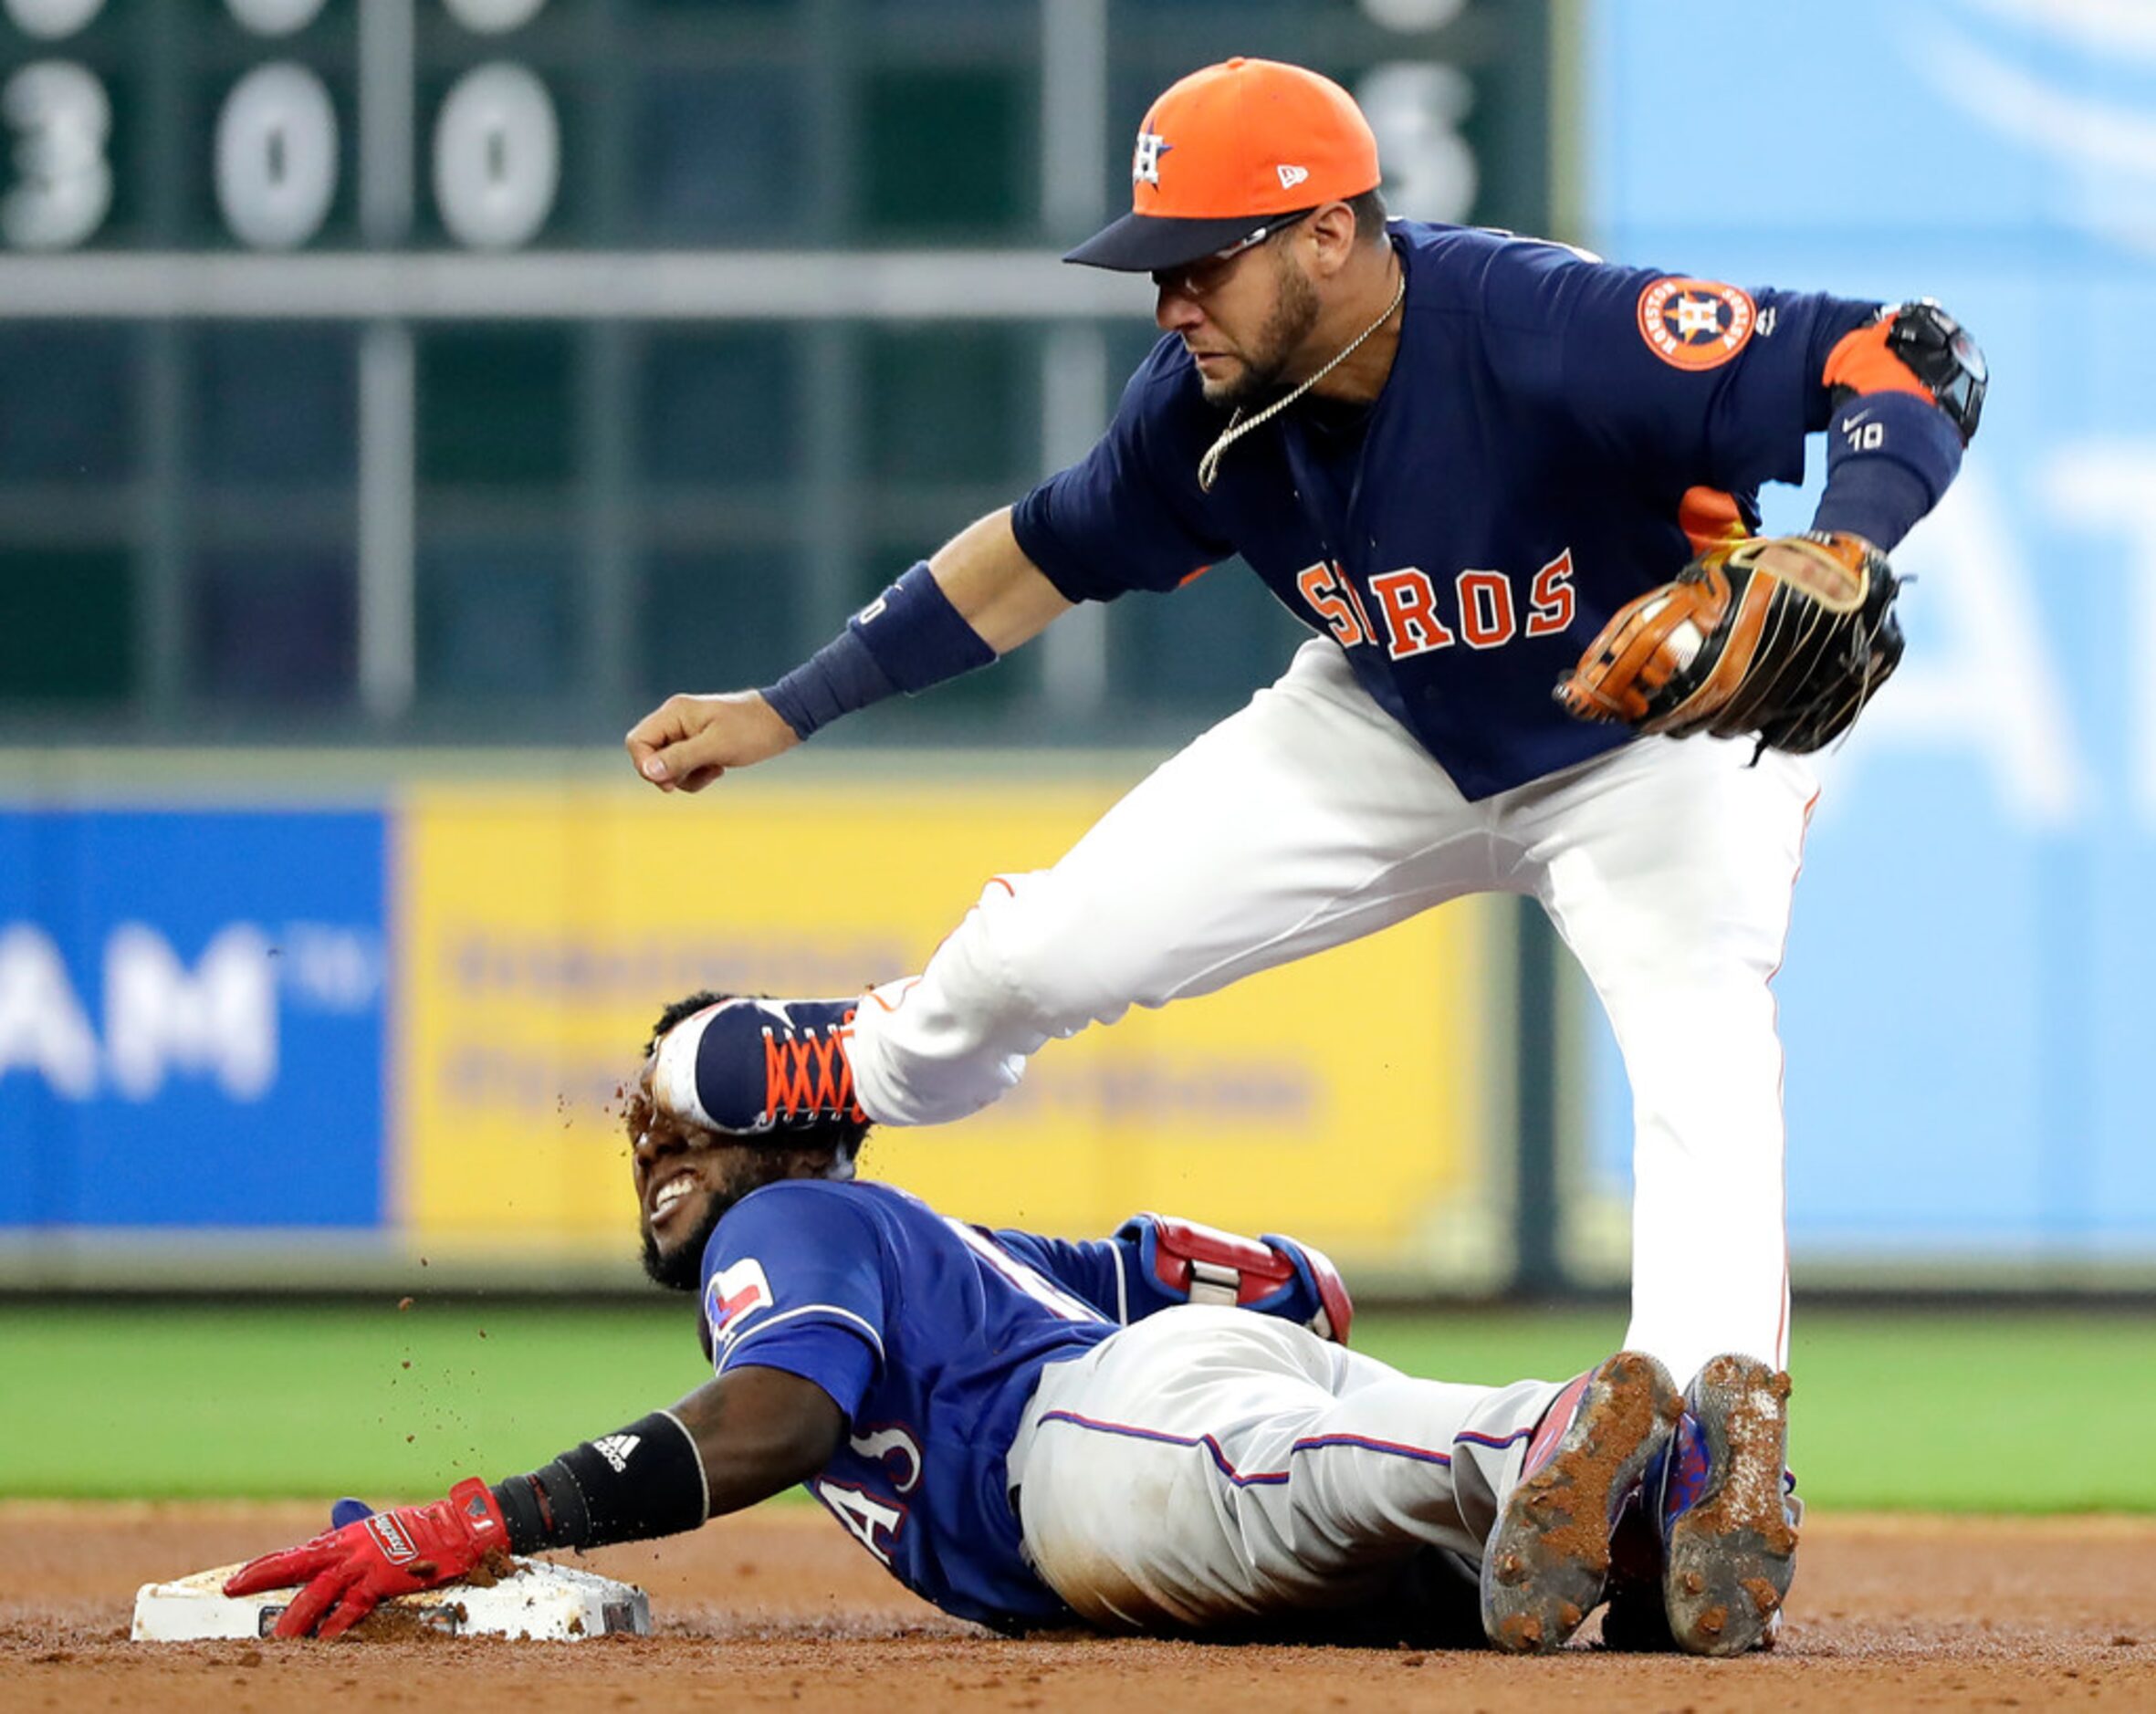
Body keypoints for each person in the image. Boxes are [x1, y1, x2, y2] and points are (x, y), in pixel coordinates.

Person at [620, 59, 1981, 1655]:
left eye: (1204, 259)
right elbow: (1031, 556)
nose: (1169, 299)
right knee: (1059, 943)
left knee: (1700, 1052)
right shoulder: (1206, 419)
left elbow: (1905, 355)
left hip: (1652, 748)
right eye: (1158, 263)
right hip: (1387, 724)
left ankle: (1683, 1448)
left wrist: (1850, 536)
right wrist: (790, 706)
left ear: (1329, 232)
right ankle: (845, 1058)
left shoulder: (1538, 326)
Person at [227, 992, 1772, 1656]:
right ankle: (1653, 1517)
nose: (654, 1157)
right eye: (644, 1133)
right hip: (1168, 1402)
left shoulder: (785, 1222)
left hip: (1089, 1443)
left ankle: (1549, 1430)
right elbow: (1268, 1283)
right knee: (1366, 1547)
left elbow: (777, 1415)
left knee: (1257, 1469)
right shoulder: (936, 1242)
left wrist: (482, 1517)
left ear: (770, 1127)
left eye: (677, 1127)